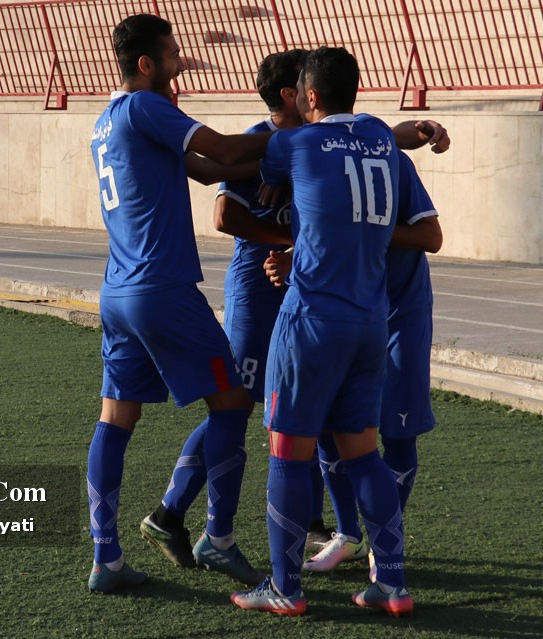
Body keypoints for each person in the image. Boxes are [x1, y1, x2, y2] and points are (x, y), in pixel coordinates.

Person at [140, 49, 450, 577]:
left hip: (322, 298)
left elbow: (375, 143)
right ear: (296, 94)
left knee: (322, 423)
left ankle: (313, 541)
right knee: (237, 407)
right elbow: (223, 210)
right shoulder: (275, 141)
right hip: (262, 292)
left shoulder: (329, 141)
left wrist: (307, 240)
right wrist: (291, 233)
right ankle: (181, 515)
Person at [86, 13, 275, 594]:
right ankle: (219, 539)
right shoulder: (146, 107)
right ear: (146, 64)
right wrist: (300, 138)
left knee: (115, 418)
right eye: (171, 55)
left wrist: (272, 162)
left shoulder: (106, 121)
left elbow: (208, 170)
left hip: (118, 291)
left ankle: (106, 558)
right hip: (161, 288)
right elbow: (220, 147)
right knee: (232, 403)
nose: (179, 63)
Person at [229, 46, 413, 617]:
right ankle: (392, 584)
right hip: (369, 320)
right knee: (363, 453)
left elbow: (256, 168)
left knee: (287, 451)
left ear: (309, 96)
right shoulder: (380, 135)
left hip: (311, 320)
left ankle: (285, 588)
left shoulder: (297, 143)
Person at [300, 149, 443, 577]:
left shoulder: (392, 161)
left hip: (400, 315)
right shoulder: (313, 157)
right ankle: (348, 533)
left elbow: (431, 236)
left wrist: (365, 228)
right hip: (346, 313)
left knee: (398, 431)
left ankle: (384, 544)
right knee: (328, 423)